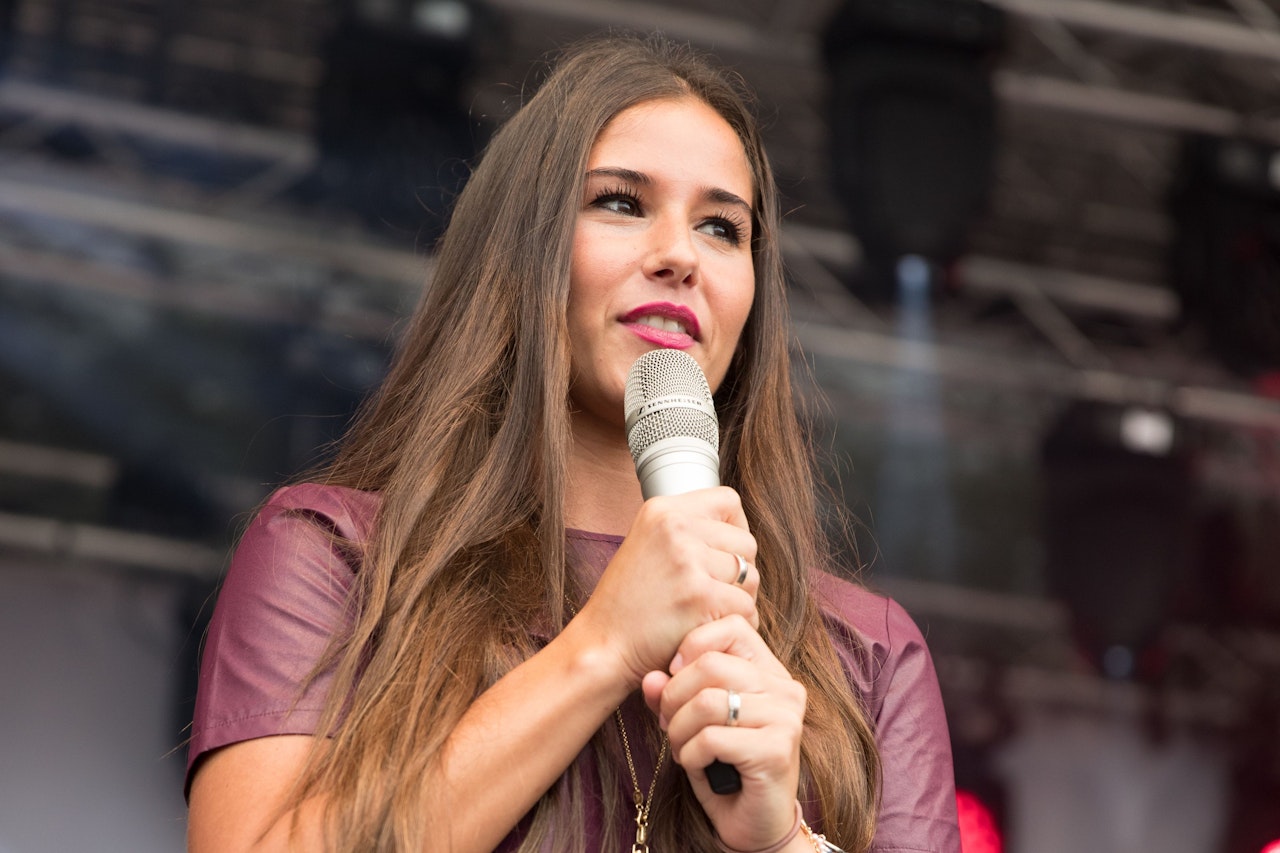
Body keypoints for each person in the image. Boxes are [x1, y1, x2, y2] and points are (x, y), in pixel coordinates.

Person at [185, 33, 959, 853]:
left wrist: (781, 841)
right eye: (621, 203)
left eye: (721, 227)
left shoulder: (865, 653)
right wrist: (603, 645)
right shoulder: (340, 561)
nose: (680, 256)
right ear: (521, 254)